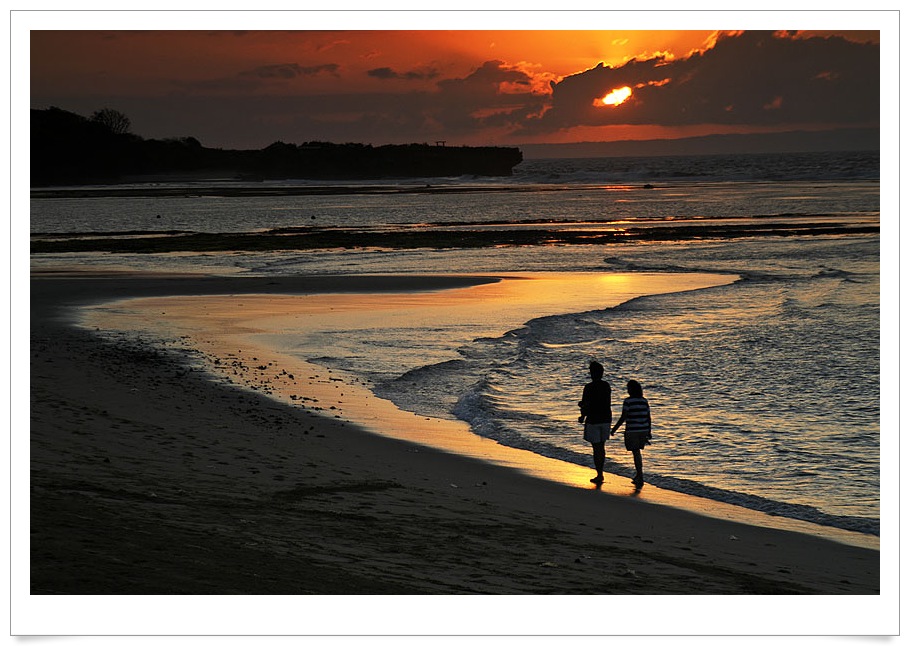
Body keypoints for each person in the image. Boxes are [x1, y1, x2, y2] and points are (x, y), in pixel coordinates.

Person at [611, 379, 652, 487]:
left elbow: (623, 417)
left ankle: (640, 476)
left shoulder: (628, 401)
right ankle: (638, 475)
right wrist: (649, 431)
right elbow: (648, 417)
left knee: (636, 453)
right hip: (643, 430)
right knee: (637, 453)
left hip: (633, 430)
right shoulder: (644, 401)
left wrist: (614, 429)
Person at [578, 361, 611, 484]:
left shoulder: (589, 387)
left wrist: (582, 416)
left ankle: (599, 474)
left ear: (592, 373)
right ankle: (600, 472)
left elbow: (586, 405)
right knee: (601, 447)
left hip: (593, 420)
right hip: (606, 419)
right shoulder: (606, 386)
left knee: (596, 448)